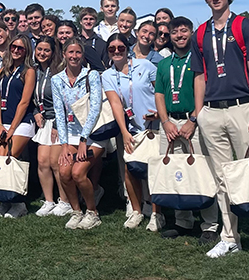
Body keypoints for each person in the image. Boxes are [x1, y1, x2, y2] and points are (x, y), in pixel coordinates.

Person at [191, 0, 249, 263]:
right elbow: (199, 75)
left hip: (243, 107)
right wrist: (200, 112)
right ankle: (230, 237)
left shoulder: (244, 26)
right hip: (212, 112)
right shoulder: (200, 32)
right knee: (222, 177)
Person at [154, 16, 219, 245]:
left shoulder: (199, 60)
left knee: (202, 171)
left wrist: (193, 119)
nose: (179, 36)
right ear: (169, 36)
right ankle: (183, 221)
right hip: (170, 122)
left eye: (183, 31)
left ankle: (210, 224)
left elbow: (206, 90)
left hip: (195, 121)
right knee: (176, 173)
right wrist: (165, 122)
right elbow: (159, 94)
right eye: (175, 32)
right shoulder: (164, 63)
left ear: (191, 32)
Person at [102, 33, 162, 230]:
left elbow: (160, 91)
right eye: (112, 49)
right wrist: (124, 132)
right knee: (130, 169)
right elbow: (116, 104)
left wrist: (160, 113)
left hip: (154, 126)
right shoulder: (108, 75)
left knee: (153, 170)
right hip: (132, 129)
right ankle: (136, 210)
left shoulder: (144, 66)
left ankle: (156, 213)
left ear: (127, 48)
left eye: (120, 48)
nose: (117, 52)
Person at [52, 38, 108, 230]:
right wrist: (64, 145)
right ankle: (77, 211)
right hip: (71, 134)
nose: (74, 56)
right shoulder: (56, 79)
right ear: (64, 55)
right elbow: (59, 112)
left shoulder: (91, 76)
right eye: (71, 52)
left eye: (78, 53)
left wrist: (84, 140)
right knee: (64, 172)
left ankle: (92, 212)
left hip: (94, 133)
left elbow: (95, 109)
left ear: (83, 56)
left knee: (78, 172)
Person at [0, 35, 36, 218]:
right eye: (14, 47)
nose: (16, 50)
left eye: (21, 48)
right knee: (1, 160)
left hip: (22, 122)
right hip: (4, 121)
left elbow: (24, 102)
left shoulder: (29, 71)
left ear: (26, 51)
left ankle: (19, 204)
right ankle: (5, 201)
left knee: (10, 157)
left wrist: (11, 129)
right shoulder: (3, 70)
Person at [31, 36, 70, 217]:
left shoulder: (59, 71)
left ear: (53, 52)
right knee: (42, 162)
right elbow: (30, 97)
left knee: (56, 163)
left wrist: (57, 124)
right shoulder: (34, 71)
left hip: (58, 121)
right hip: (43, 121)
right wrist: (35, 112)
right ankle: (48, 201)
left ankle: (65, 201)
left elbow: (64, 100)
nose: (42, 53)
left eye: (46, 50)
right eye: (39, 49)